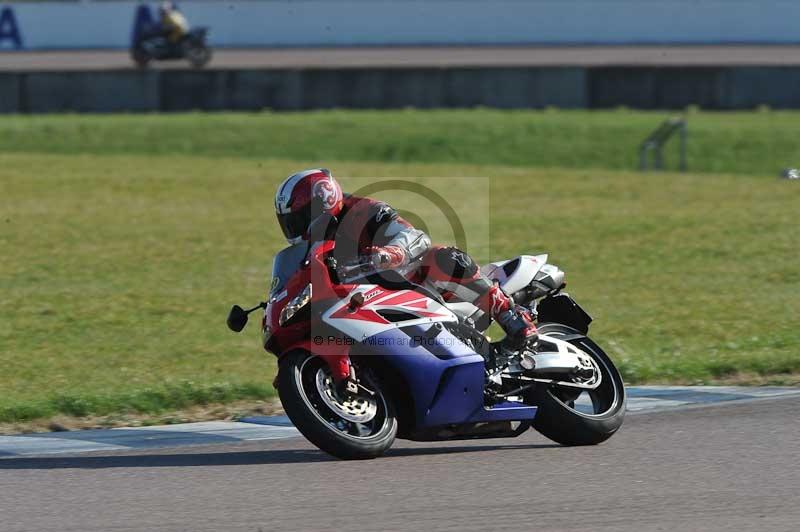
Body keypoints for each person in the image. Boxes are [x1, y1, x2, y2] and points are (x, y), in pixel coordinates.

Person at [274, 168, 538, 392]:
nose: (294, 228)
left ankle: (512, 317)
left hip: (412, 283)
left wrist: (391, 253)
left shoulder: (363, 212)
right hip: (367, 302)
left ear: (323, 199)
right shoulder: (313, 247)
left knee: (441, 257)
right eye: (288, 222)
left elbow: (414, 237)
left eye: (298, 218)